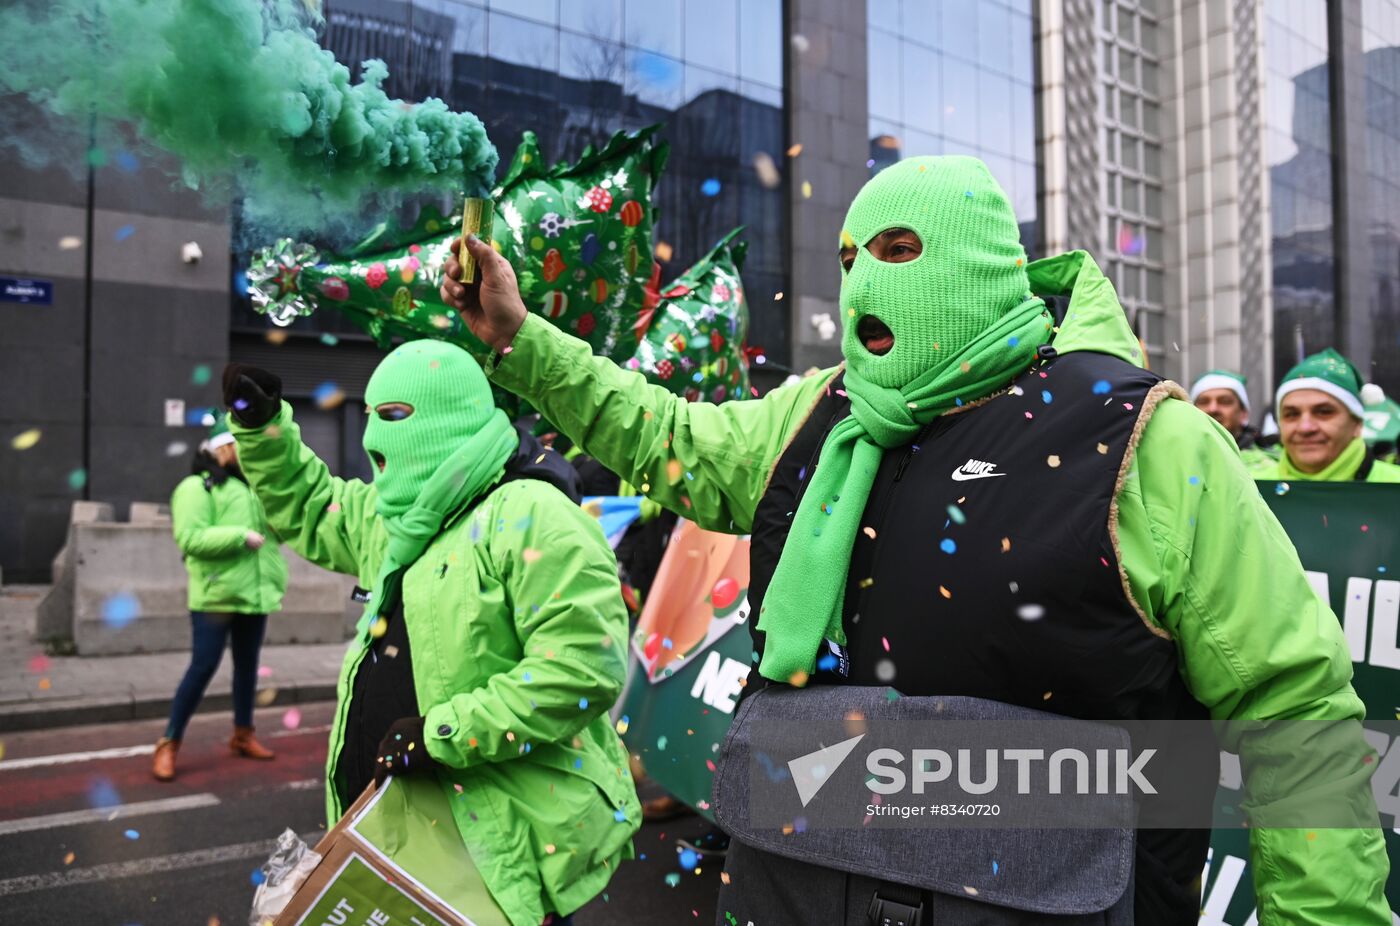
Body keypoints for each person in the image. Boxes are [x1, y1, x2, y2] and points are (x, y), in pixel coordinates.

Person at [439, 155, 1390, 924]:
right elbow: (669, 436)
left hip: (1063, 897)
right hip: (803, 879)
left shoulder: (1146, 437)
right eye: (850, 257)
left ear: (980, 260)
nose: (865, 281)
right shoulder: (819, 414)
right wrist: (520, 339)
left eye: (898, 249)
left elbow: (1292, 705)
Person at [221, 340, 638, 926]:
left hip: (498, 848)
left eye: (393, 416)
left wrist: (442, 734)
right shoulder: (396, 515)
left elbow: (581, 670)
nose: (374, 437)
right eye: (370, 415)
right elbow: (314, 508)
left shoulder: (533, 516)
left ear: (447, 417)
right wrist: (263, 431)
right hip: (404, 839)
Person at [153, 413, 288, 782]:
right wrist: (240, 536)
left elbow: (271, 536)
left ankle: (243, 735)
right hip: (215, 597)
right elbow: (190, 538)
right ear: (226, 448)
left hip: (253, 595)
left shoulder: (250, 487)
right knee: (202, 668)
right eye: (242, 446)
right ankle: (169, 743)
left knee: (247, 668)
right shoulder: (196, 487)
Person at [1250, 348, 1400, 483]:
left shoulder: (1394, 486)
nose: (1305, 428)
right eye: (1292, 414)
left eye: (1324, 412)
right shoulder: (1250, 491)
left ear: (1357, 424)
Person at [1188, 368, 1273, 466]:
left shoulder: (1269, 466)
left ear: (1243, 413)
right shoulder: (1179, 458)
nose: (1213, 409)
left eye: (1225, 401)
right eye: (1203, 402)